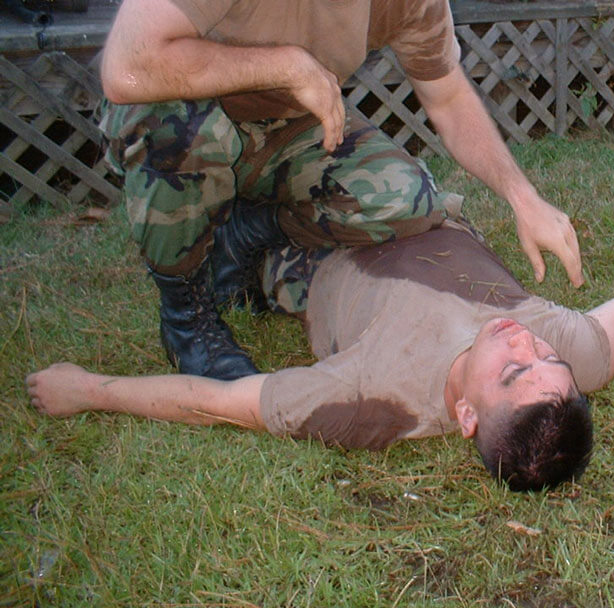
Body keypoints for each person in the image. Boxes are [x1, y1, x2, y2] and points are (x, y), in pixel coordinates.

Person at [27, 217, 614, 491]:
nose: (528, 344)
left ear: (466, 415)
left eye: (514, 371)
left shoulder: (367, 403)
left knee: (269, 245)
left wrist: (88, 387)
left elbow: (217, 403)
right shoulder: (574, 358)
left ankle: (254, 240)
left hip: (326, 256)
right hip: (419, 211)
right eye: (546, 362)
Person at [97, 0, 585, 381]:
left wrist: (523, 197)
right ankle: (186, 312)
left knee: (407, 199)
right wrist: (288, 67)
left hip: (292, 126)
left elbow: (449, 97)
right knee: (181, 132)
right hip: (185, 112)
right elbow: (128, 66)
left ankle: (242, 235)